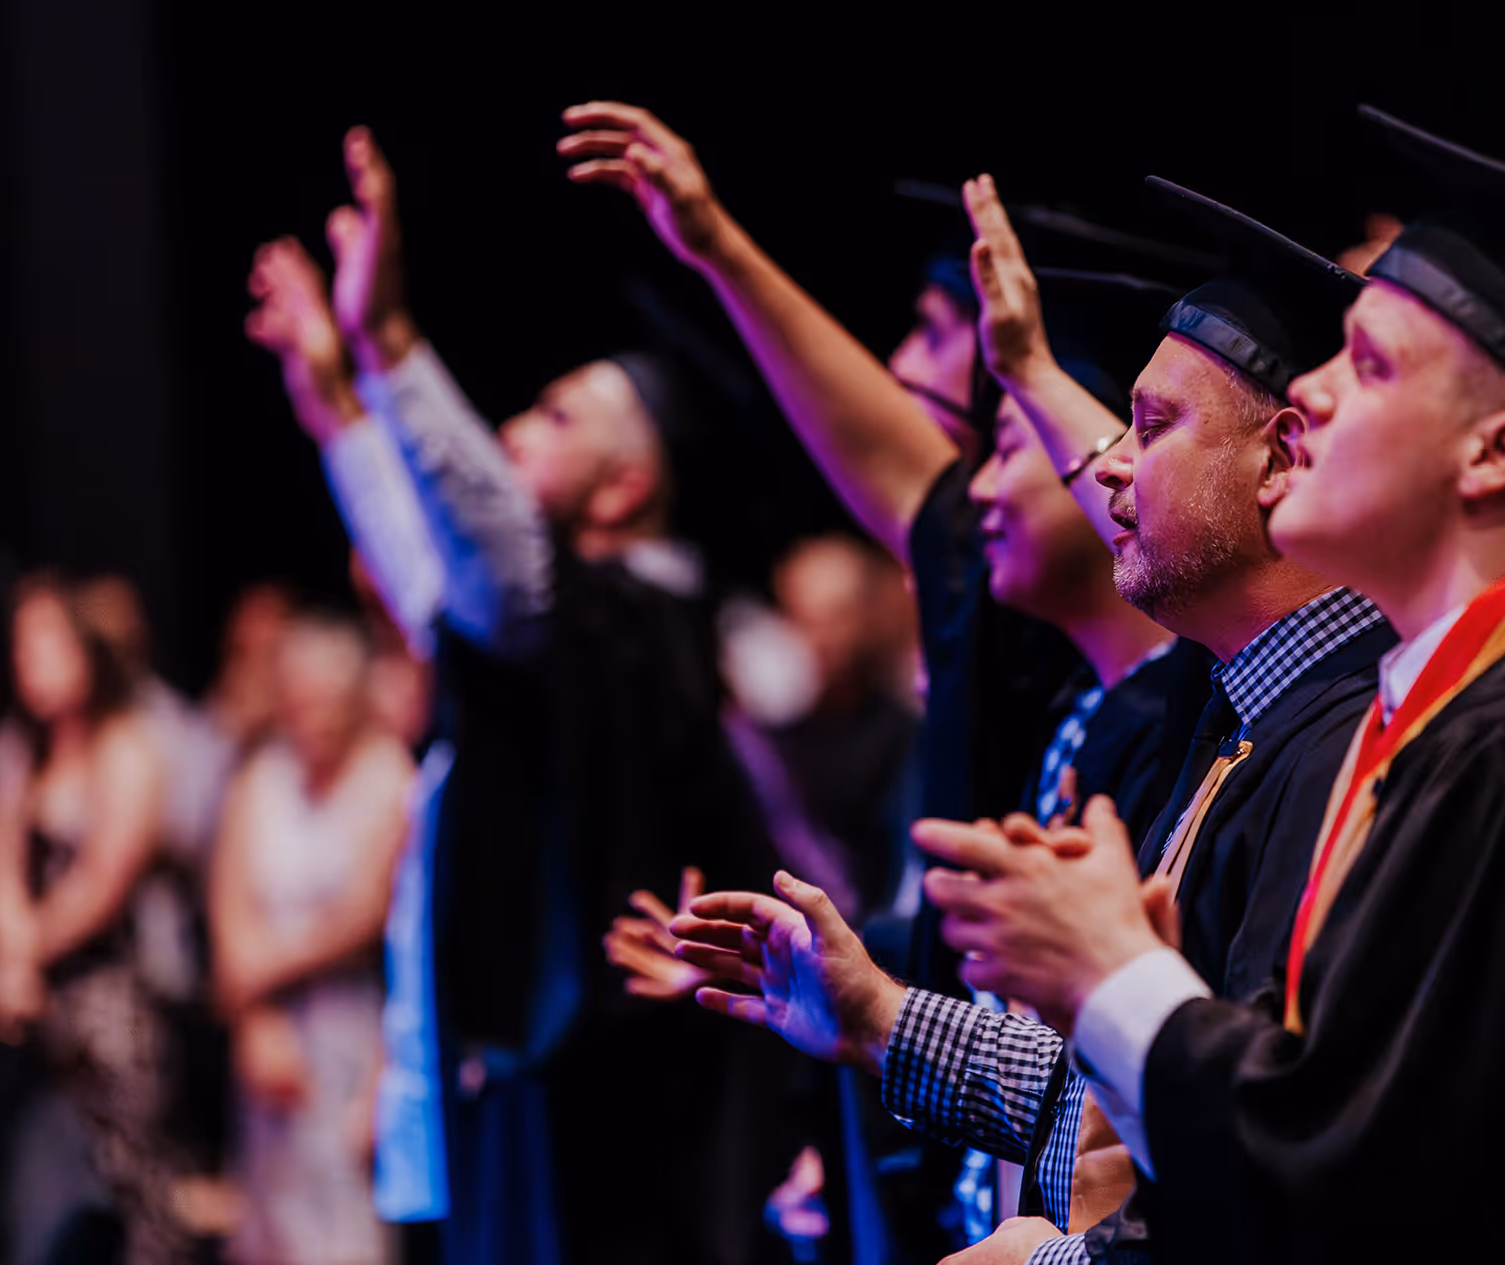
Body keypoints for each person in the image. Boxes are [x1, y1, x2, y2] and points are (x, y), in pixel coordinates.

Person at [909, 107, 1505, 1262]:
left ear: (1495, 452)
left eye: (1369, 364)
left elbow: (1353, 1181)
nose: (1312, 398)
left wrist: (1116, 980)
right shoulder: (1462, 730)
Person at [671, 177, 1386, 1263]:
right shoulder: (1240, 727)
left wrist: (1063, 1262)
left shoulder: (1349, 755)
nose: (1101, 464)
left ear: (1283, 458)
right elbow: (1124, 1095)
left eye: (1147, 427)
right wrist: (876, 1015)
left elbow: (1283, 1158)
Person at [564, 103, 1216, 1249]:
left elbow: (1165, 1096)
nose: (966, 475)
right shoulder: (1063, 692)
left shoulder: (1214, 724)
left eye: (1006, 435)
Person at [247, 125, 783, 1265]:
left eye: (555, 416)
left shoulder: (631, 625)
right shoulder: (581, 619)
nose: (510, 430)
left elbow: (485, 563)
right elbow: (438, 574)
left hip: (609, 1118)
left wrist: (386, 344)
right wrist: (335, 405)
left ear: (628, 483)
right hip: (532, 1089)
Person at [0, 574, 194, 1264]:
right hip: (39, 1006)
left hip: (113, 1006)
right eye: (20, 644)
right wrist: (10, 951)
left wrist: (22, 952)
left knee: (134, 1196)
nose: (27, 659)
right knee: (48, 1194)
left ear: (84, 647)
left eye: (44, 641)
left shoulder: (126, 744)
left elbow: (103, 882)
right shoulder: (21, 747)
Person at [211, 610, 412, 1265]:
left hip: (355, 1033)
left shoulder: (389, 777)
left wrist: (256, 970)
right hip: (274, 1045)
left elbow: (368, 914)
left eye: (324, 703)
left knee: (350, 1235)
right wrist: (252, 1018)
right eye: (297, 703)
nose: (310, 719)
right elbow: (230, 901)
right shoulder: (260, 778)